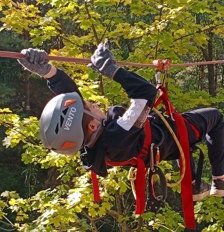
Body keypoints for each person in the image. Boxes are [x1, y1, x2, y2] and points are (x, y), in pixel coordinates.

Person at [17, 41, 224, 201]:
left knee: (186, 146)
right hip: (171, 135)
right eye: (91, 106)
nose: (93, 103)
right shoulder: (118, 135)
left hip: (161, 143)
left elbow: (74, 101)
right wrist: (112, 70)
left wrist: (49, 73)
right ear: (92, 125)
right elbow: (145, 95)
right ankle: (220, 180)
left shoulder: (89, 143)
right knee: (215, 117)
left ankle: (195, 184)